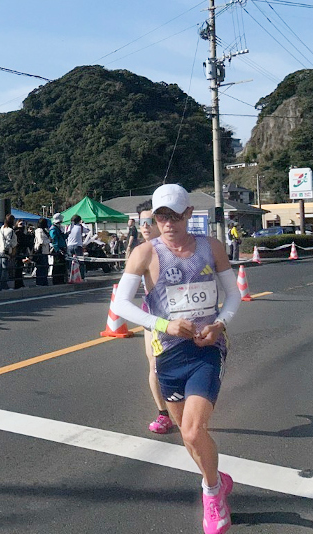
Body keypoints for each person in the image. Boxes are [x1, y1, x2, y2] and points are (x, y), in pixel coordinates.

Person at [111, 184, 240, 534]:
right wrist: (164, 324)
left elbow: (234, 294)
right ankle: (217, 477)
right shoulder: (144, 253)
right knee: (187, 435)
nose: (168, 222)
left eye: (175, 215)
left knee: (195, 429)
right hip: (168, 353)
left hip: (206, 349)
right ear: (155, 217)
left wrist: (219, 324)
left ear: (188, 214)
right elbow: (120, 305)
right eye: (161, 216)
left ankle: (212, 494)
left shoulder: (211, 247)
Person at [132, 200, 172, 434]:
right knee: (155, 364)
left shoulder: (174, 249)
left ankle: (188, 407)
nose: (145, 226)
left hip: (181, 317)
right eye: (141, 222)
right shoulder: (141, 252)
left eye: (149, 221)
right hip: (152, 317)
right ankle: (163, 413)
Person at [0, 214, 16, 290]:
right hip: (5, 250)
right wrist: (8, 253)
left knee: (0, 267)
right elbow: (8, 242)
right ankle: (3, 285)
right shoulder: (10, 230)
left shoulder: (2, 228)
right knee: (4, 268)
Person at [66, 214, 87, 278]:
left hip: (69, 246)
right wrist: (83, 223)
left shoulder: (69, 226)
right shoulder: (80, 227)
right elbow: (87, 230)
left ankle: (71, 276)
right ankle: (81, 276)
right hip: (78, 246)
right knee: (80, 262)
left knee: (70, 262)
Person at [49, 213, 68, 285]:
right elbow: (54, 240)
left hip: (61, 248)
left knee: (61, 266)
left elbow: (61, 238)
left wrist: (66, 234)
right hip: (57, 250)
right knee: (57, 266)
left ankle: (61, 279)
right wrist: (58, 250)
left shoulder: (57, 228)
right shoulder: (53, 229)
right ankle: (56, 280)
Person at [33, 218, 51, 286]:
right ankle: (40, 282)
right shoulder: (39, 231)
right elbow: (41, 241)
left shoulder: (45, 230)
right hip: (41, 251)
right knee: (41, 267)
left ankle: (44, 281)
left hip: (45, 251)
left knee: (45, 267)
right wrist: (48, 241)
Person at [13, 220, 31, 289]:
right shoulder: (17, 233)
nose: (22, 225)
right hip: (18, 252)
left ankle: (20, 284)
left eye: (23, 224)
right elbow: (23, 242)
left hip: (21, 252)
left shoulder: (21, 233)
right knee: (18, 269)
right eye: (21, 224)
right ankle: (18, 285)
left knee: (20, 269)